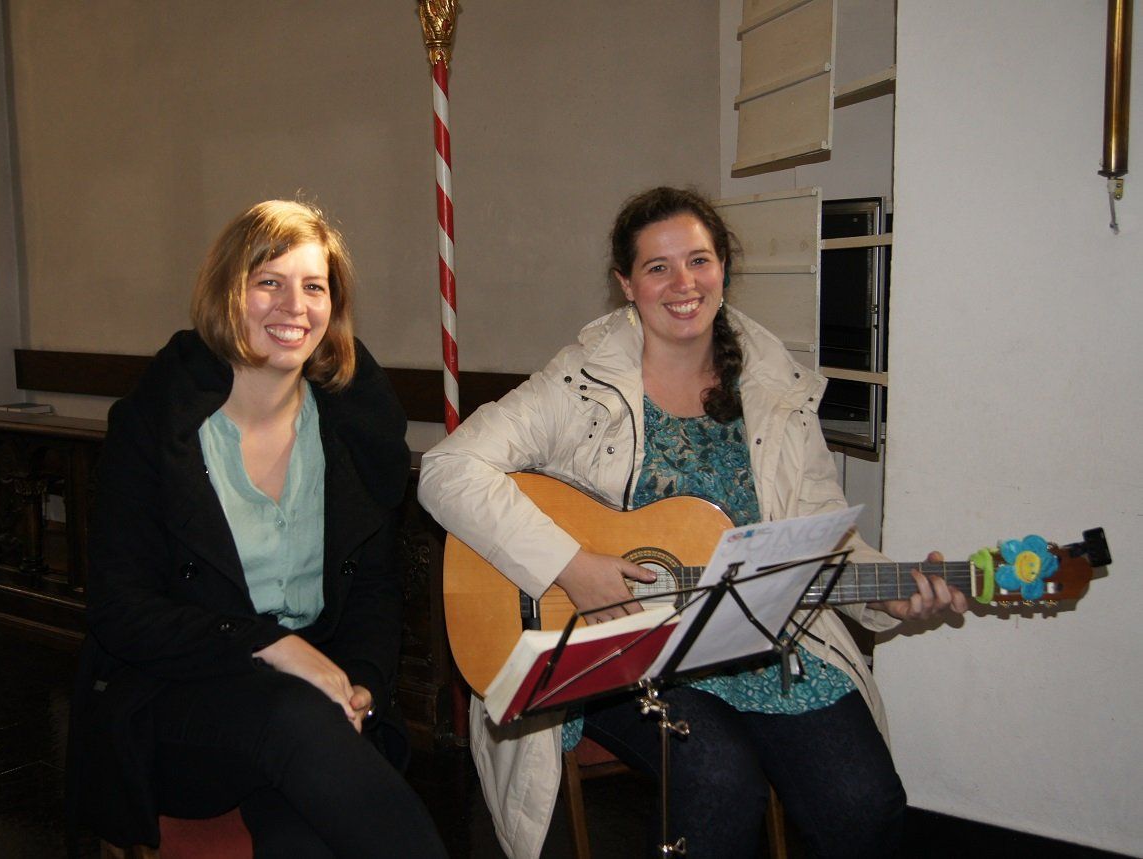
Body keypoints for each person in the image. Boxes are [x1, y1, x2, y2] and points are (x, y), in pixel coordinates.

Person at [417, 186, 966, 859]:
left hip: (766, 644)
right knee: (720, 781)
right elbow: (447, 469)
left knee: (865, 802)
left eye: (699, 261)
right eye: (659, 267)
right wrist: (569, 566)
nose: (684, 284)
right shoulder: (579, 386)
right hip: (623, 650)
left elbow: (822, 528)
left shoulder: (776, 391)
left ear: (723, 269)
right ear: (627, 285)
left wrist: (890, 591)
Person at [66, 200, 447, 858]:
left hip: (315, 701)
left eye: (314, 287)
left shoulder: (351, 426)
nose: (294, 306)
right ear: (227, 293)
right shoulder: (157, 426)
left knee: (307, 840)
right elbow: (120, 612)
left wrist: (361, 680)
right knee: (293, 715)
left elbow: (374, 588)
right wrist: (271, 645)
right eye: (269, 281)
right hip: (180, 702)